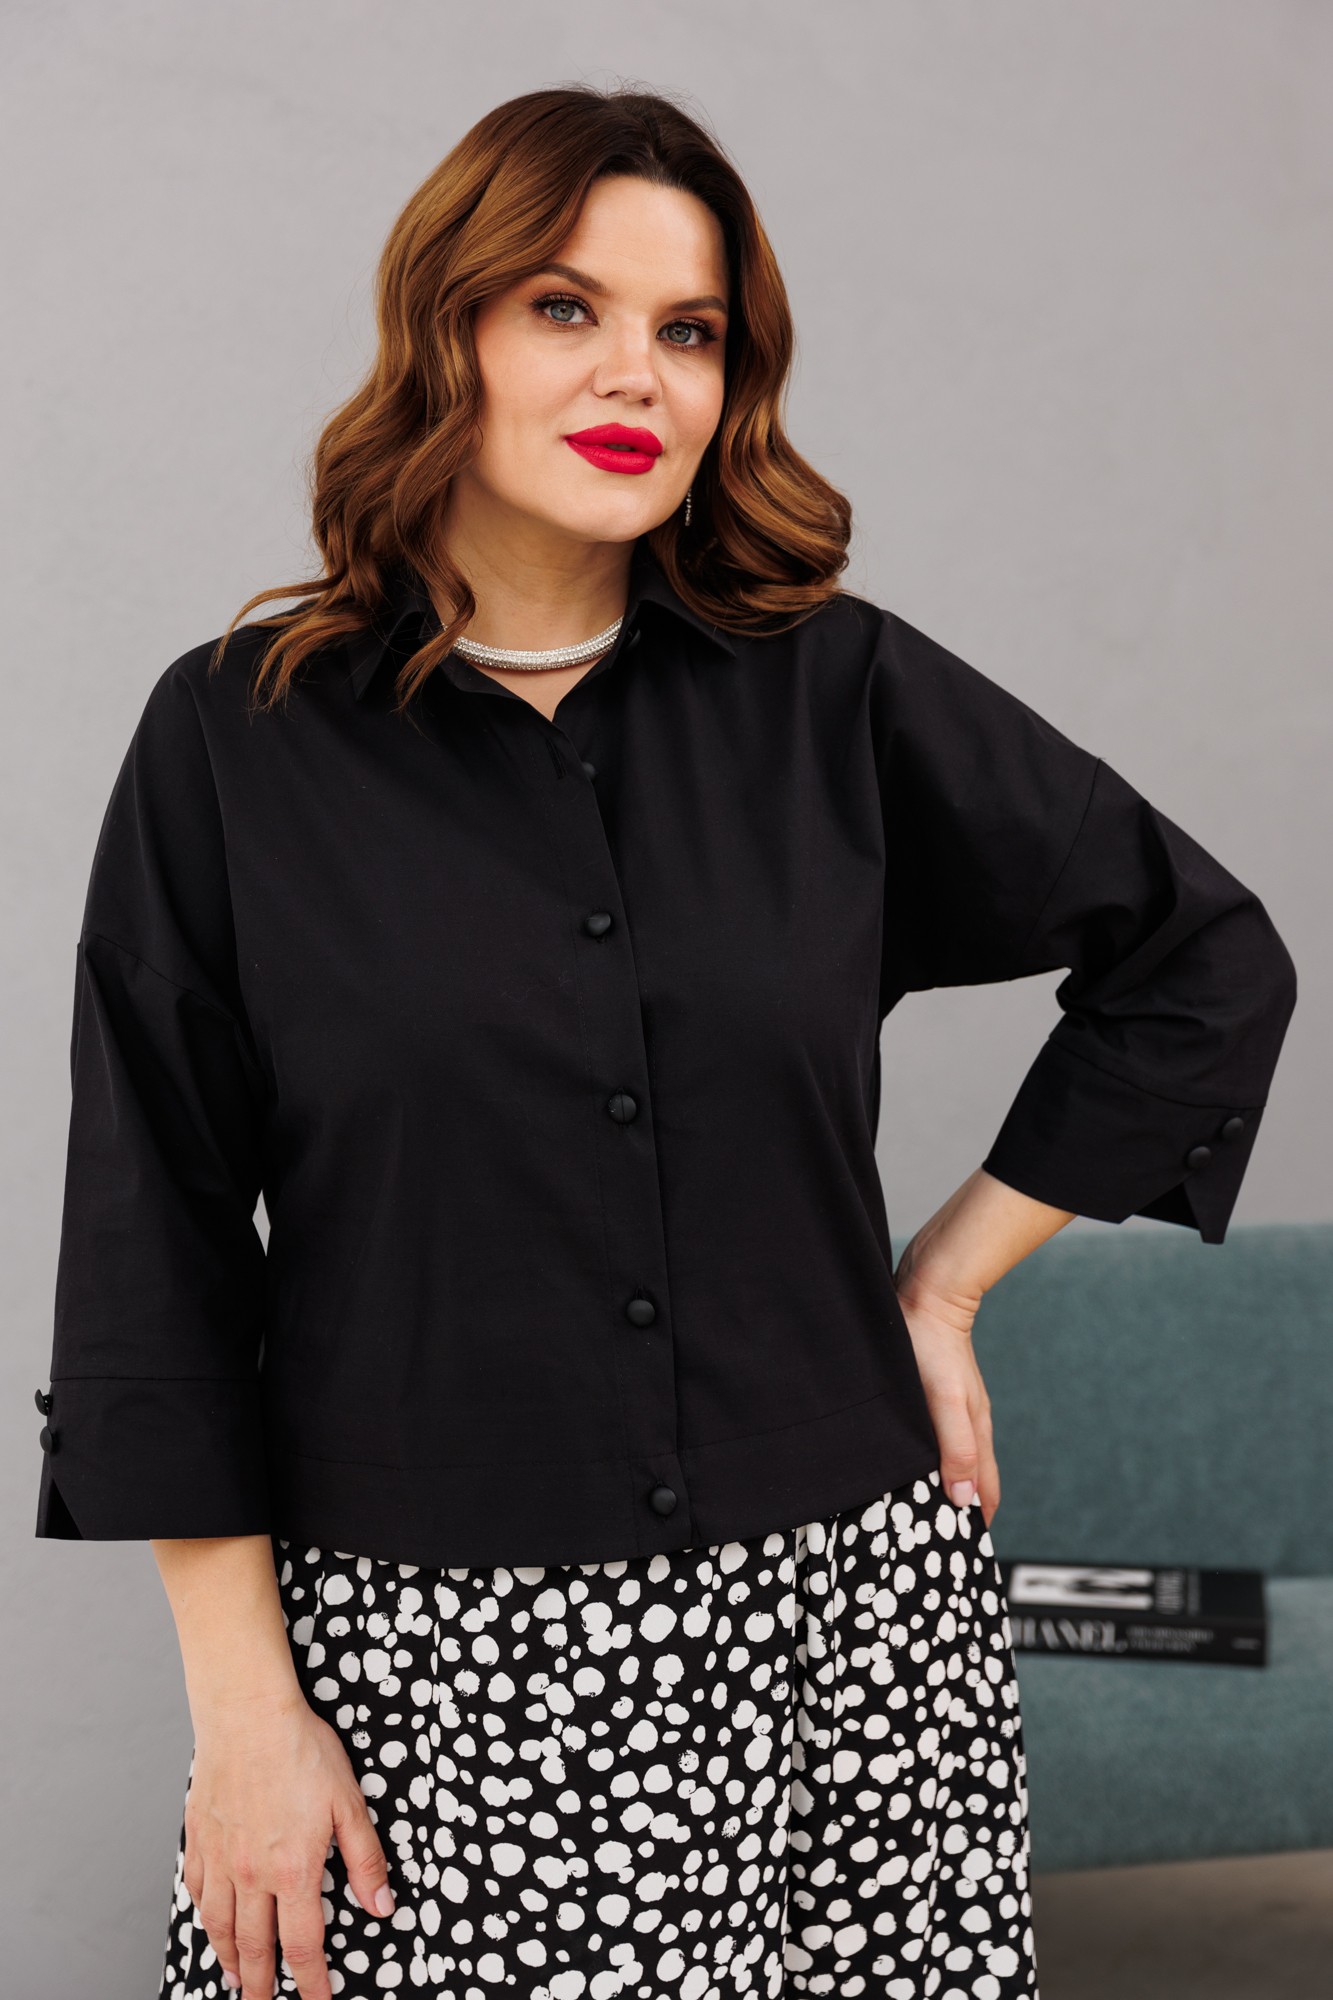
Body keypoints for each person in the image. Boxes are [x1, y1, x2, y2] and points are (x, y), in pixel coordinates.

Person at [33, 86, 1296, 2000]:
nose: (637, 371)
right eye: (565, 307)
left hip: (853, 1637)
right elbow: (154, 1251)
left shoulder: (835, 693)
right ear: (446, 328)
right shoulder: (233, 739)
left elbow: (1199, 960)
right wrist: (245, 1715)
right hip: (436, 1663)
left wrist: (945, 1286)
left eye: (688, 330)